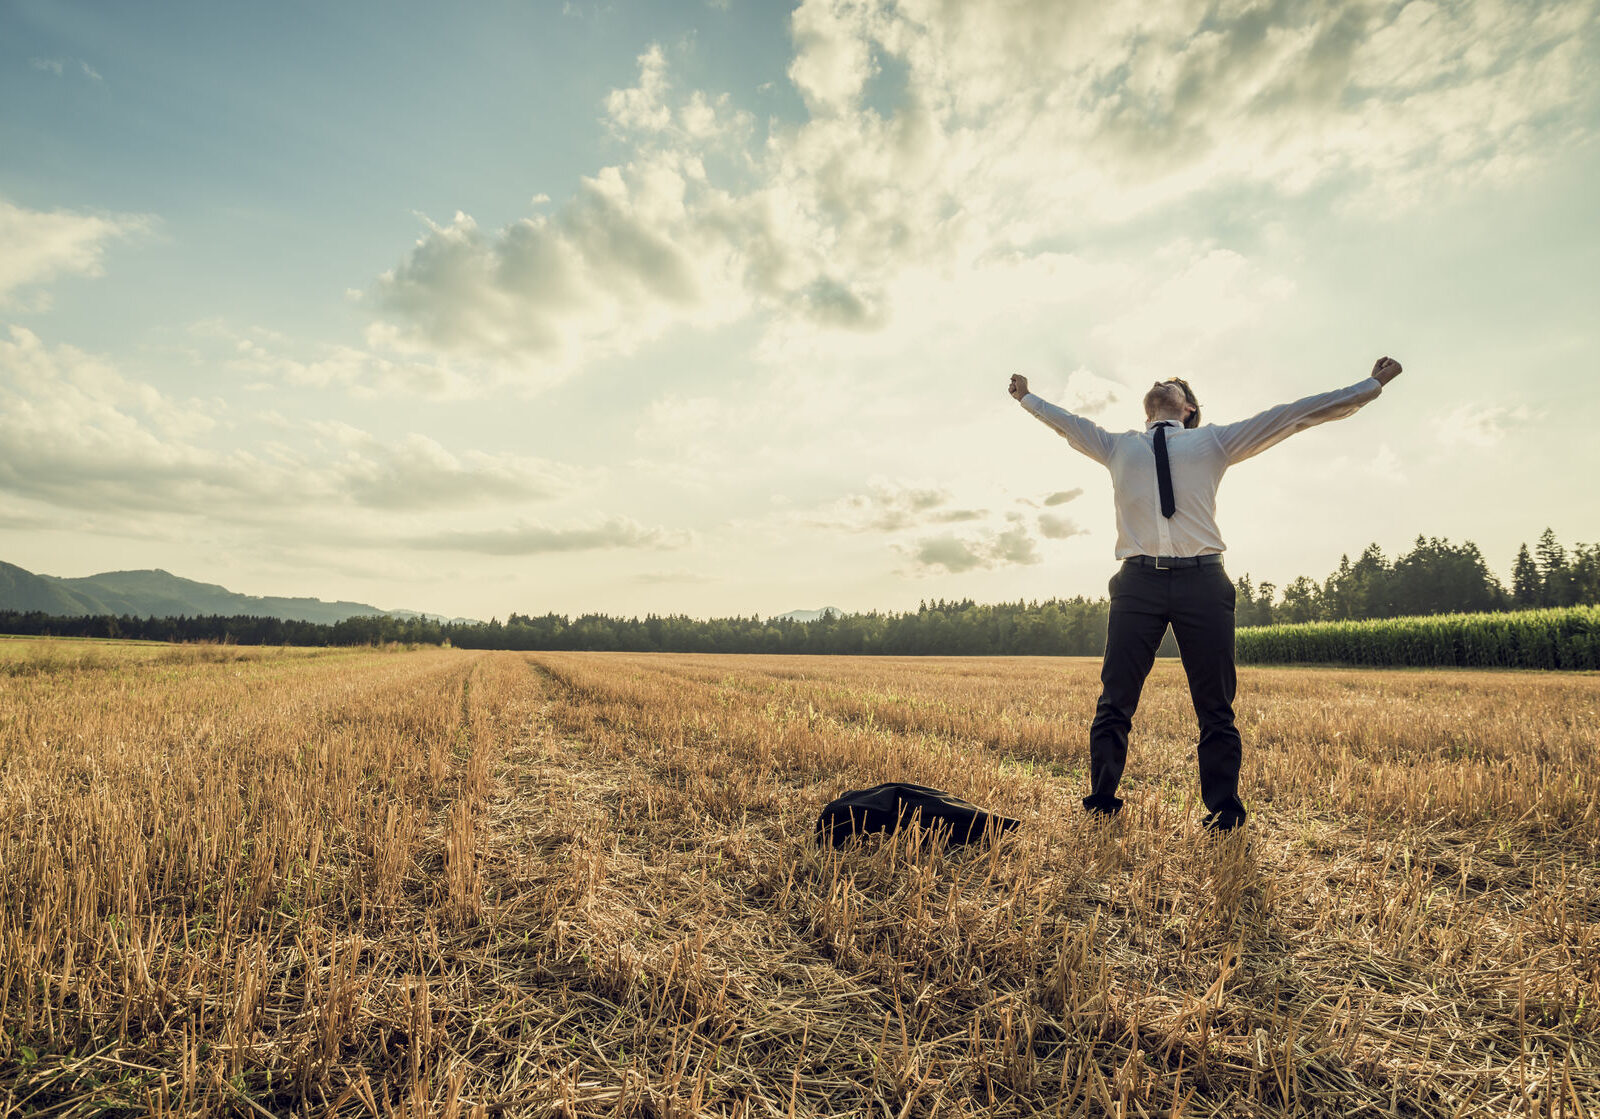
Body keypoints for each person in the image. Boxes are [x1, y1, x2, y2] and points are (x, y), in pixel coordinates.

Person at [1008, 358, 1403, 831]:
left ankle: (1225, 811)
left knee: (1215, 704)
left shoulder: (1213, 441)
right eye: (1159, 381)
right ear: (1148, 408)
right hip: (1137, 583)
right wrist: (1028, 398)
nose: (1162, 381)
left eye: (1174, 383)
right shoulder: (1115, 445)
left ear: (1188, 407)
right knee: (1115, 699)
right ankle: (1101, 801)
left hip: (1203, 582)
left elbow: (1294, 414)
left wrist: (1371, 386)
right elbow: (1066, 424)